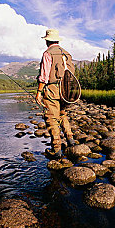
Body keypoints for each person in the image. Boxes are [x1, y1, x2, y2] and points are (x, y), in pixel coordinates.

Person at [36, 29, 76, 159]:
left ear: (47, 41)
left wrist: (39, 92)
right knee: (62, 114)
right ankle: (70, 139)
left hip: (52, 89)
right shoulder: (67, 53)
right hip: (66, 90)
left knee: (52, 118)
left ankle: (56, 149)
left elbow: (44, 76)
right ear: (57, 40)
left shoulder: (48, 53)